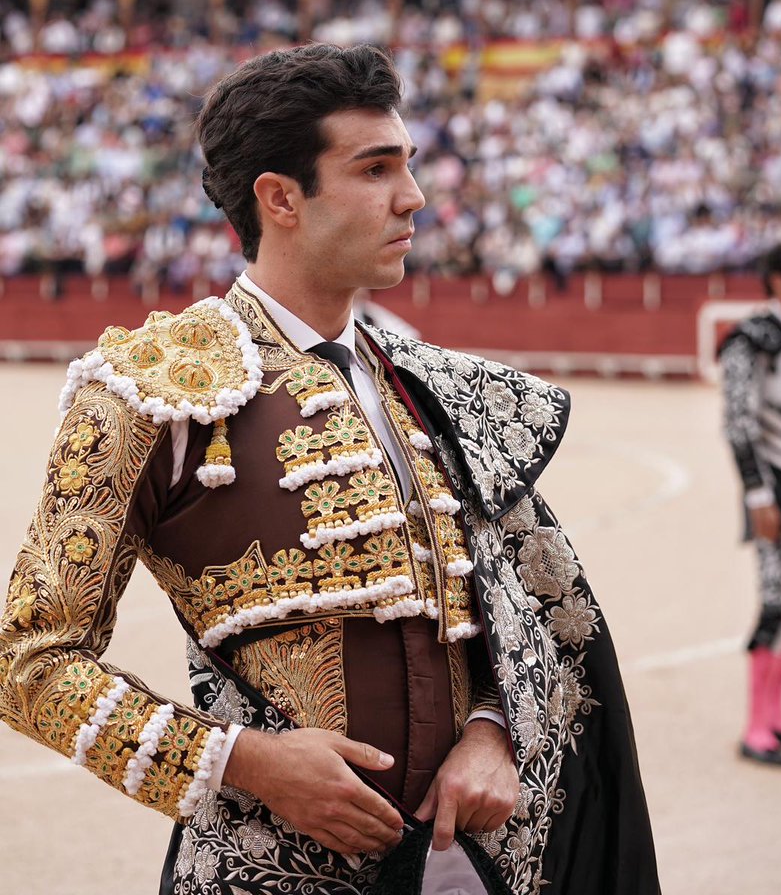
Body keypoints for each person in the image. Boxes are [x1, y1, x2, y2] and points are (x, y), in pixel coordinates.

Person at [0, 44, 660, 894]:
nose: (413, 197)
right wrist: (251, 763)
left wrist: (496, 729)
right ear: (280, 198)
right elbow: (30, 659)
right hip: (268, 865)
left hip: (481, 859)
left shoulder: (438, 386)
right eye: (375, 168)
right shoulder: (148, 392)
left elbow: (539, 611)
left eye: (408, 165)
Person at [720, 241, 781, 766]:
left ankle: (774, 714)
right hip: (776, 491)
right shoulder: (751, 339)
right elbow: (739, 423)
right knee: (777, 605)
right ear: (775, 278)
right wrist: (757, 495)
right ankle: (755, 727)